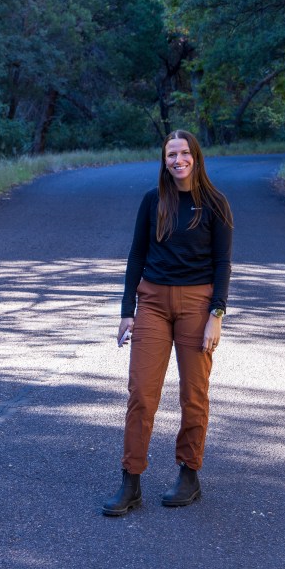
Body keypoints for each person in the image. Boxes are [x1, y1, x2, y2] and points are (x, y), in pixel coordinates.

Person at [102, 129, 233, 516]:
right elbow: (136, 254)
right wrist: (128, 311)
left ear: (196, 156)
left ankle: (189, 474)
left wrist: (217, 315)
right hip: (153, 303)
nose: (178, 160)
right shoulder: (152, 200)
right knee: (142, 393)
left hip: (197, 304)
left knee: (194, 394)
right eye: (171, 154)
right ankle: (131, 481)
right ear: (164, 160)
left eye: (184, 153)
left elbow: (223, 263)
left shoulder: (215, 203)